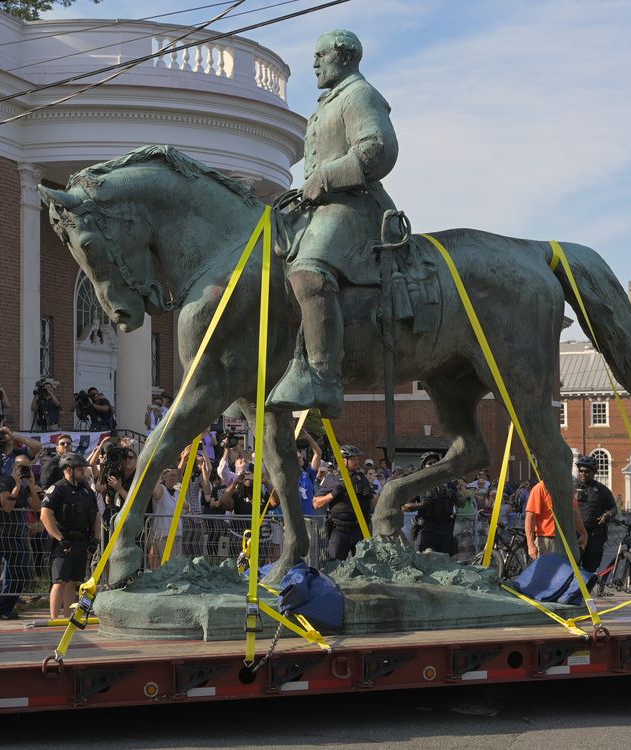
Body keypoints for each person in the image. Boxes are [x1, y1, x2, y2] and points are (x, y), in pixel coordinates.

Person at [267, 29, 399, 418]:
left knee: (308, 272)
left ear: (345, 55)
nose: (314, 62)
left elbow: (378, 149)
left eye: (320, 54)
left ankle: (324, 375)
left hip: (355, 207)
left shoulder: (360, 94)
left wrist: (324, 178)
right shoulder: (330, 101)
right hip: (320, 207)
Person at [41, 452, 100, 619]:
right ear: (68, 469)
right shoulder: (58, 489)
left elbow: (96, 516)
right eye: (80, 469)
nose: (83, 472)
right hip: (63, 542)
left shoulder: (87, 491)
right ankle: (54, 618)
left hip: (81, 541)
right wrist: (60, 539)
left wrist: (95, 539)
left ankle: (67, 616)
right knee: (59, 581)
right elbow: (45, 515)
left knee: (73, 582)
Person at [0, 454, 42, 619]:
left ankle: (5, 607)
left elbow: (37, 506)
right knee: (19, 571)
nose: (24, 471)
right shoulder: (4, 482)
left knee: (21, 572)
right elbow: (7, 507)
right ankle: (1, 608)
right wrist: (17, 484)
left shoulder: (25, 486)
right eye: (21, 467)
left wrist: (31, 485)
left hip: (18, 534)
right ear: (13, 467)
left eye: (27, 468)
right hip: (3, 534)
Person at [313, 444, 374, 560]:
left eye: (357, 459)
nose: (357, 462)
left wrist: (370, 495)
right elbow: (316, 503)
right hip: (340, 530)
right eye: (353, 459)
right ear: (343, 460)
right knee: (335, 564)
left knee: (365, 564)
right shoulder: (332, 478)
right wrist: (333, 494)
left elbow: (374, 503)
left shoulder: (361, 477)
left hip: (359, 529)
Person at [402, 452, 461, 555]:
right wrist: (423, 504)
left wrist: (455, 498)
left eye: (435, 462)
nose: (433, 464)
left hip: (446, 529)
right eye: (429, 463)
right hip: (426, 528)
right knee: (424, 561)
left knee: (445, 564)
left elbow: (462, 503)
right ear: (424, 467)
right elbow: (404, 506)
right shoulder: (418, 484)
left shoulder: (449, 483)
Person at [525, 480, 588, 561]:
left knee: (565, 572)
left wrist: (583, 533)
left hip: (566, 540)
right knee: (547, 572)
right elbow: (530, 517)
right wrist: (530, 545)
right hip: (547, 542)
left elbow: (573, 512)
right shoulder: (540, 488)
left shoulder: (567, 488)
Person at [573, 455, 617, 573]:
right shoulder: (571, 487)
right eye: (581, 471)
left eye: (587, 471)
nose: (583, 473)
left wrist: (608, 514)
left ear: (594, 472)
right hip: (575, 534)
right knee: (571, 567)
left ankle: (587, 590)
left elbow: (614, 508)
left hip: (595, 535)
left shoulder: (602, 490)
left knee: (590, 569)